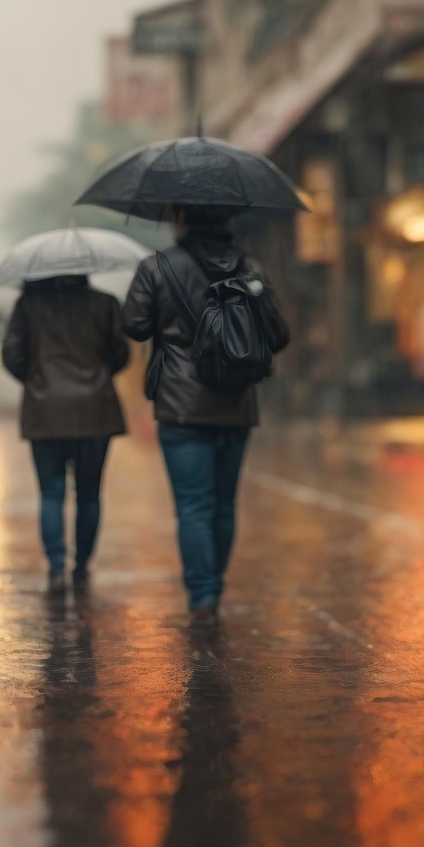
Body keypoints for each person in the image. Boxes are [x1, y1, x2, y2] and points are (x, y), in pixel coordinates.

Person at [121, 206, 288, 624]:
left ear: (181, 219)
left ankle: (203, 597)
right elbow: (279, 335)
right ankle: (214, 585)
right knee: (223, 505)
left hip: (181, 404)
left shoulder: (157, 266)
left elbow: (135, 326)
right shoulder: (251, 267)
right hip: (237, 401)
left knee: (193, 506)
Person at [1, 272, 130, 596]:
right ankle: (82, 566)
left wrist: (38, 379)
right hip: (94, 410)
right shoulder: (105, 303)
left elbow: (11, 355)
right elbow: (122, 354)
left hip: (46, 412)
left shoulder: (29, 304)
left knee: (51, 492)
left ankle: (56, 566)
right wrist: (97, 376)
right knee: (89, 494)